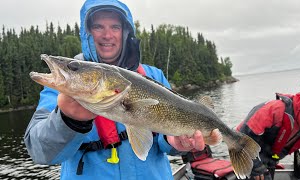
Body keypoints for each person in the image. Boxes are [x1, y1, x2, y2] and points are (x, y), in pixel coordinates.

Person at [24, 0, 205, 179]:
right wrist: (68, 120)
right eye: (98, 26)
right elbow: (40, 152)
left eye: (115, 27)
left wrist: (174, 142)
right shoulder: (63, 90)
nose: (107, 35)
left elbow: (168, 141)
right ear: (87, 33)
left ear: (125, 32)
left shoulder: (153, 76)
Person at [236, 82, 300, 180]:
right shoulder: (275, 110)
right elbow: (242, 137)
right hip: (244, 153)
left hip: (270, 159)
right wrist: (255, 166)